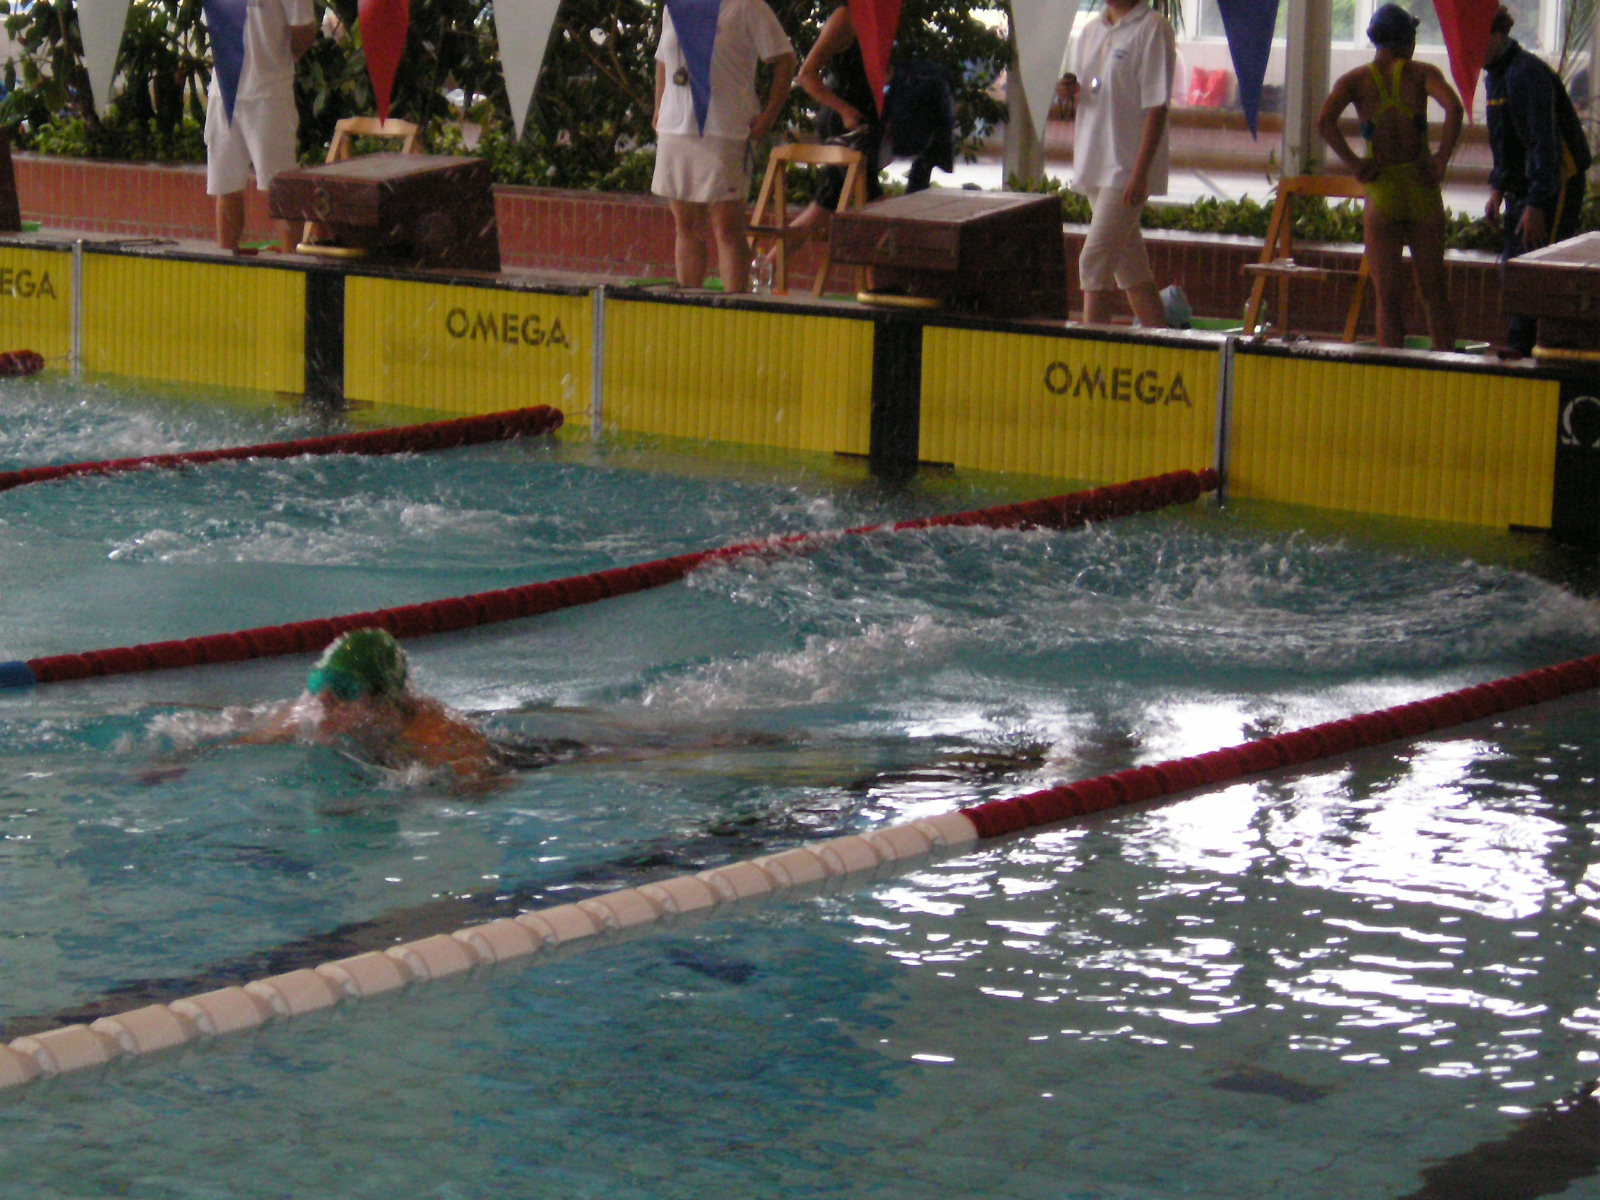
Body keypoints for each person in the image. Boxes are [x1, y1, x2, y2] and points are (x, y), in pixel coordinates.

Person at [1317, 4, 1464, 350]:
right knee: (1434, 292)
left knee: (1387, 298)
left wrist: (1355, 164)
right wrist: (1441, 159)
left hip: (1382, 189)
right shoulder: (1421, 73)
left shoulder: (1355, 80)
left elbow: (1324, 122)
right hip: (1421, 184)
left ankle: (1391, 370)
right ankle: (1448, 367)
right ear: (1409, 40)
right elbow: (1455, 108)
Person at [652, 0, 796, 293]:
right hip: (677, 129)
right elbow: (664, 61)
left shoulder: (747, 6)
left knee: (727, 226)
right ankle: (689, 304)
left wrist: (770, 114)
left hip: (726, 130)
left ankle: (735, 306)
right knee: (685, 224)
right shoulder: (675, 6)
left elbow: (785, 59)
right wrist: (659, 108)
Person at [242, 628, 504, 789]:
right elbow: (235, 741)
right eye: (317, 683)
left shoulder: (435, 734)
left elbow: (485, 787)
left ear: (384, 698)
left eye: (345, 688)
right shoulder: (305, 714)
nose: (324, 699)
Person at [1060, 0, 1177, 328]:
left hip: (1126, 167)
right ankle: (1163, 342)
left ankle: (1092, 348)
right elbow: (1091, 91)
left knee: (1094, 262)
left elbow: (1157, 107)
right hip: (1095, 161)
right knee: (1131, 269)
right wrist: (1069, 92)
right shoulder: (1091, 31)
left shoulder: (1152, 28)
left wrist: (1140, 173)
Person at [1484, 4, 1592, 356]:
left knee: (1539, 261)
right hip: (1524, 184)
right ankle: (1519, 344)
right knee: (1516, 262)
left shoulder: (1525, 74)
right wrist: (1498, 187)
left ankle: (1533, 348)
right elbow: (1503, 139)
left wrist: (1537, 203)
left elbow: (1543, 143)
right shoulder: (1495, 75)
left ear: (1495, 34)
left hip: (1556, 181)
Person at [203, 0, 317, 254]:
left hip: (269, 94)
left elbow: (304, 30)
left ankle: (291, 266)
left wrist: (274, 59)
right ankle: (227, 262)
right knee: (225, 185)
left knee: (281, 189)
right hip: (223, 92)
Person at [777, 5, 885, 261]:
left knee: (823, 207)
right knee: (874, 207)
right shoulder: (846, 17)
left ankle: (768, 267)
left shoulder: (877, 21)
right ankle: (884, 278)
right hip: (846, 124)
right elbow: (806, 74)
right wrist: (845, 110)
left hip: (861, 120)